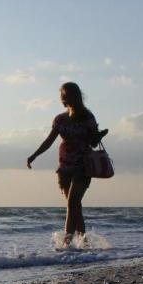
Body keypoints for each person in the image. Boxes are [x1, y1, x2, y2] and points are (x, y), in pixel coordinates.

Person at [26, 82, 107, 246]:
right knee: (75, 207)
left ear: (77, 96)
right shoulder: (60, 119)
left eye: (68, 94)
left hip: (83, 166)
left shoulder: (88, 117)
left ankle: (66, 243)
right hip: (64, 167)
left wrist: (98, 136)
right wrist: (34, 155)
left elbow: (92, 142)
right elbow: (49, 141)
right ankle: (84, 243)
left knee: (72, 203)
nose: (65, 97)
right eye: (63, 95)